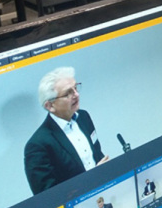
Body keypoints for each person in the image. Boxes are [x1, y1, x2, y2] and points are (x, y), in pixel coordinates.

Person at [24, 67, 109, 195]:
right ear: (50, 105)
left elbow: (97, 155)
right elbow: (47, 195)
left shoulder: (84, 117)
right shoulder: (38, 145)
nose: (76, 95)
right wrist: (91, 181)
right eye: (68, 93)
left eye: (75, 88)